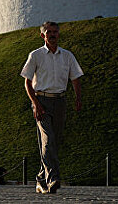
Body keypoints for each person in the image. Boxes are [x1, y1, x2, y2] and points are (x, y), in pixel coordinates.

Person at [21, 21, 83, 194]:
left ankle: (40, 179)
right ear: (43, 35)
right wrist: (35, 103)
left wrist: (78, 98)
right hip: (42, 100)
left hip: (60, 101)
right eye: (49, 32)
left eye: (55, 32)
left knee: (54, 141)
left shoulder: (67, 56)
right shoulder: (36, 55)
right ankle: (53, 178)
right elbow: (27, 82)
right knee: (47, 140)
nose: (53, 35)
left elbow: (75, 78)